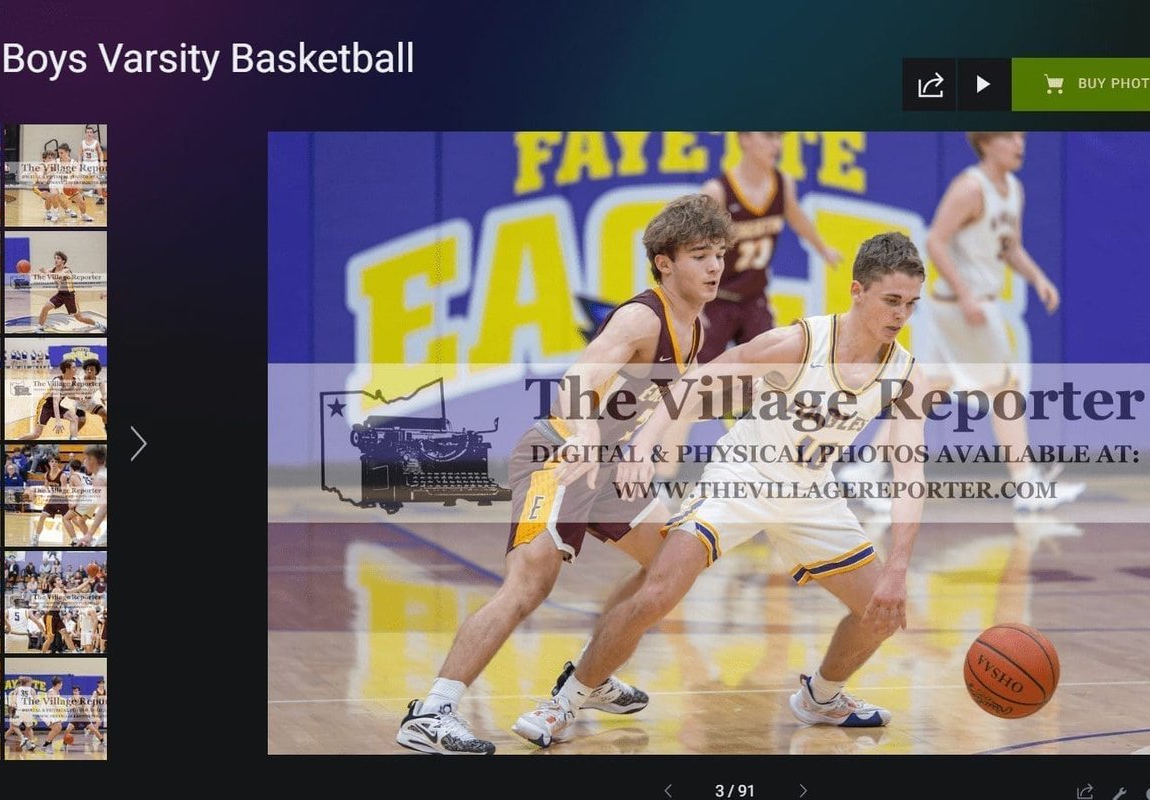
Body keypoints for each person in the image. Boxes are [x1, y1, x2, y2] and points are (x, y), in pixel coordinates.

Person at [514, 232, 931, 747]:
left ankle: (821, 697)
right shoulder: (798, 344)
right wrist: (645, 443)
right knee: (659, 591)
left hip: (811, 493)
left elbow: (909, 474)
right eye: (892, 300)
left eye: (911, 304)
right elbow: (696, 381)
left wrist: (898, 568)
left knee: (882, 613)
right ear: (857, 291)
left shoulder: (906, 374)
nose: (901, 315)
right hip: (742, 476)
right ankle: (567, 701)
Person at [396, 194, 732, 754]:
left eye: (719, 254)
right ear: (665, 262)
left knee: (670, 563)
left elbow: (673, 399)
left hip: (606, 468)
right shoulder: (641, 317)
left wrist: (650, 450)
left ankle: (590, 678)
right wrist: (588, 435)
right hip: (558, 456)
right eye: (701, 255)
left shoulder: (696, 324)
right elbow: (577, 381)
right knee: (528, 587)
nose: (715, 266)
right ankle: (430, 713)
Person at [840, 132, 1082, 513]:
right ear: (986, 142)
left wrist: (1038, 278)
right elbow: (935, 241)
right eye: (1009, 137)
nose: (1019, 144)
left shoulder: (1014, 190)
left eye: (1021, 136)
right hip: (963, 308)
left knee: (925, 392)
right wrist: (966, 294)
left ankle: (866, 470)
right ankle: (1026, 484)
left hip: (953, 308)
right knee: (1005, 390)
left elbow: (1011, 247)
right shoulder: (970, 187)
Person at [696, 131, 842, 363]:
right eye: (769, 136)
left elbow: (797, 217)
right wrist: (695, 305)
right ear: (744, 139)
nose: (777, 145)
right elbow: (695, 253)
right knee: (701, 373)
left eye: (779, 138)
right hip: (716, 300)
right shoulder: (717, 191)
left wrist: (823, 249)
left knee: (769, 369)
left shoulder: (783, 183)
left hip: (753, 297)